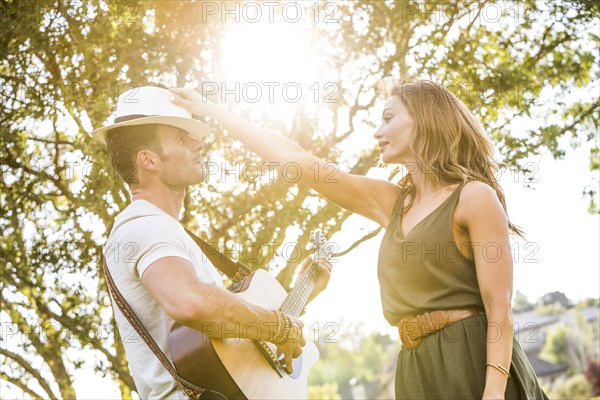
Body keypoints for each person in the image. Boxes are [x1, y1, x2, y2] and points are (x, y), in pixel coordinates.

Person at [169, 80, 549, 399]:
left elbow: (500, 309)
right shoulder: (390, 202)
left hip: (472, 359)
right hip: (416, 366)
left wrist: (494, 392)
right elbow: (296, 159)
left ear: (426, 119)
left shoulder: (474, 197)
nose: (376, 132)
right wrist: (213, 111)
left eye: (388, 118)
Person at [93, 86, 332, 399]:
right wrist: (277, 327)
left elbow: (229, 338)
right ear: (149, 159)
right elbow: (191, 302)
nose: (198, 143)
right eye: (181, 138)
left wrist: (304, 292)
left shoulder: (163, 229)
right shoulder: (144, 226)